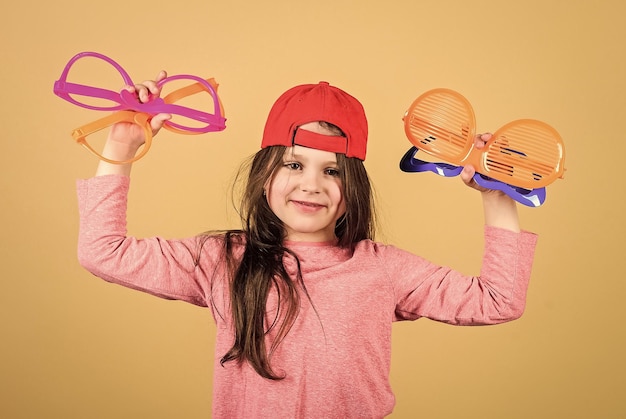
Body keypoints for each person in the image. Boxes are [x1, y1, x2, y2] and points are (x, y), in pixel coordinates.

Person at [76, 71, 537, 418]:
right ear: (264, 176)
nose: (311, 184)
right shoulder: (221, 260)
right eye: (294, 166)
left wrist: (498, 200)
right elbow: (102, 251)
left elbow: (497, 301)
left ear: (352, 184)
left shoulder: (382, 269)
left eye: (331, 170)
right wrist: (121, 146)